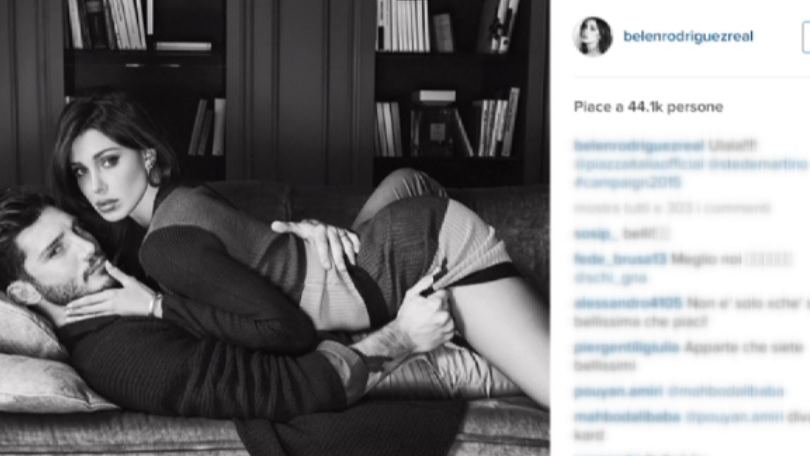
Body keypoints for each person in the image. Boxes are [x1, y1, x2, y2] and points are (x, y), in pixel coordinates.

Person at [0, 187, 470, 456]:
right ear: (24, 292)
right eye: (56, 250)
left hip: (334, 327)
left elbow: (245, 280)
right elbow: (289, 386)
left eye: (76, 230)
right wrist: (405, 337)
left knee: (412, 189)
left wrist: (308, 237)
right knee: (459, 261)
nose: (87, 246)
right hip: (357, 366)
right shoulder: (118, 355)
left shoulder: (118, 291)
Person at [52, 90, 550, 408]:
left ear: (147, 155)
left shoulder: (162, 246)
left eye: (108, 161)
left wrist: (158, 307)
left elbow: (286, 329)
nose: (96, 186)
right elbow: (258, 264)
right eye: (81, 172)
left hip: (422, 243)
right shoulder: (176, 204)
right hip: (383, 245)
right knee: (408, 182)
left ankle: (504, 309)